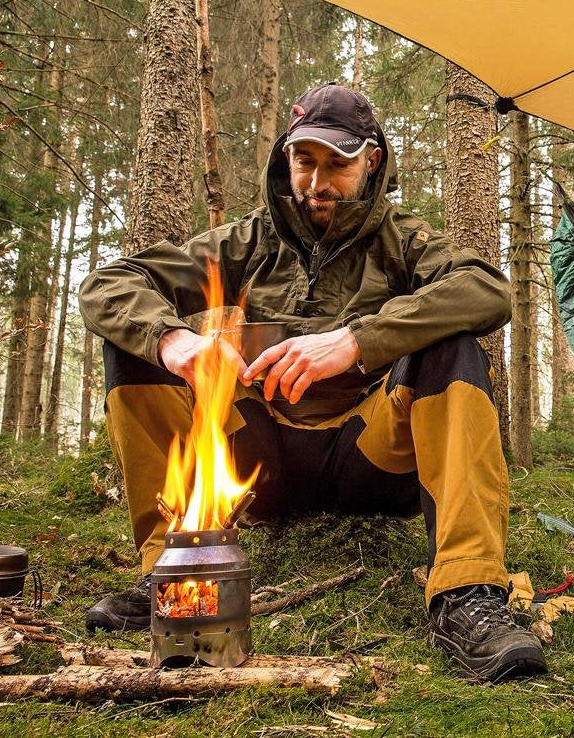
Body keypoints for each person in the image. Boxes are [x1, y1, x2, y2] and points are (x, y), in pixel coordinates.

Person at [77, 82, 546, 682]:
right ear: (286, 158)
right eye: (305, 161)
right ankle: (176, 568)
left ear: (371, 161)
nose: (318, 183)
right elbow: (108, 286)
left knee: (452, 346)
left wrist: (355, 342)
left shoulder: (403, 240)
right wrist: (178, 342)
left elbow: (487, 290)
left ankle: (467, 592)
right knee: (139, 345)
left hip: (370, 457)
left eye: (338, 164)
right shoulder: (249, 241)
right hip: (261, 459)